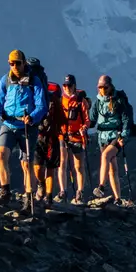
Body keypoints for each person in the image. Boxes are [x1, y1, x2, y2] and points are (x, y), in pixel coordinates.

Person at [0, 50, 47, 205]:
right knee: (1, 154)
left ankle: (29, 199)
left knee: (26, 164)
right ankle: (5, 190)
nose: (14, 66)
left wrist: (33, 117)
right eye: (11, 63)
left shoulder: (34, 81)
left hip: (27, 126)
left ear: (24, 63)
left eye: (17, 63)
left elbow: (41, 105)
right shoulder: (6, 80)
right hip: (8, 123)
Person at [93, 74, 132, 204]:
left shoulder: (119, 100)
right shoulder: (97, 102)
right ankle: (118, 198)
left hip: (117, 135)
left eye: (105, 87)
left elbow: (126, 119)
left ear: (110, 86)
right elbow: (92, 119)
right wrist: (84, 126)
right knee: (112, 167)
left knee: (105, 156)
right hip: (102, 137)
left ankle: (101, 187)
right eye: (100, 87)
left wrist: (124, 136)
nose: (102, 90)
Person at [56, 74, 92, 202]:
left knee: (78, 166)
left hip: (77, 137)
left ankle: (80, 192)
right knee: (62, 164)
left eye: (69, 85)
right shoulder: (60, 101)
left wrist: (84, 128)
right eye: (65, 85)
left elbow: (87, 120)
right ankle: (63, 191)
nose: (67, 88)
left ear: (74, 86)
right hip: (63, 136)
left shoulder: (80, 101)